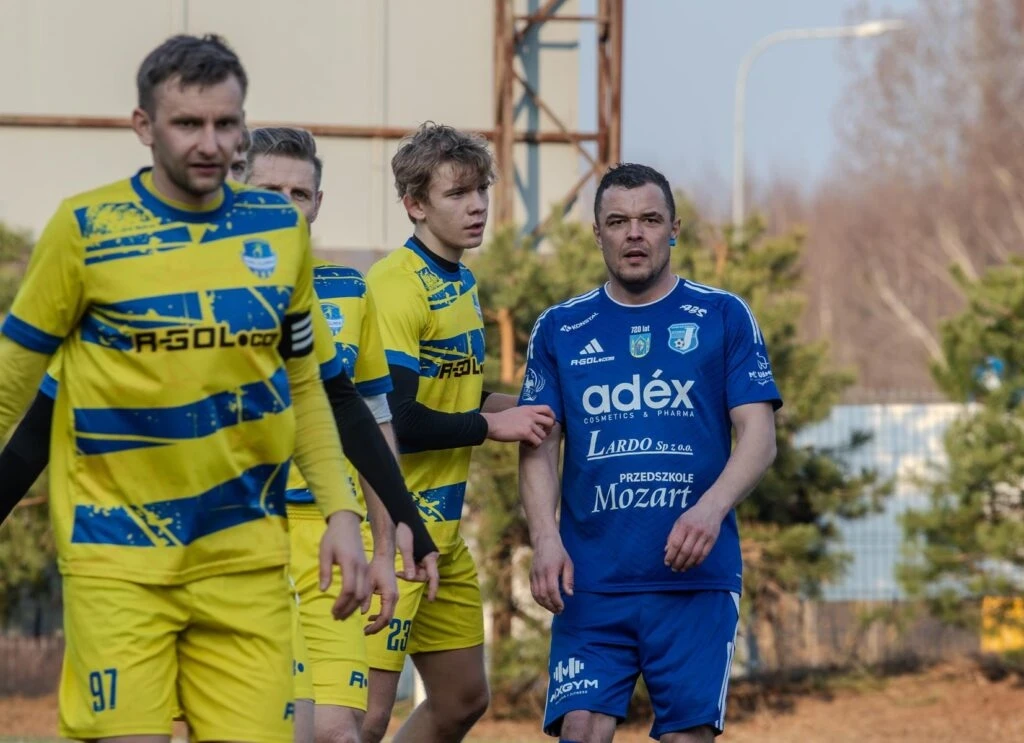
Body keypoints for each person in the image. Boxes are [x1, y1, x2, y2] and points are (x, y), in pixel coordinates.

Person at [0, 35, 370, 743]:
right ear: (144, 126)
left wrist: (342, 514)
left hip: (245, 561)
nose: (209, 143)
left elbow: (304, 388)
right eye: (187, 123)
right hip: (117, 560)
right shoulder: (85, 230)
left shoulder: (279, 234)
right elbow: (9, 388)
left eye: (226, 124)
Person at [518, 163, 781, 743]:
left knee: (688, 737)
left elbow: (759, 437)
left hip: (694, 580)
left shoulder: (722, 315)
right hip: (590, 581)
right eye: (618, 221)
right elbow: (538, 446)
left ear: (674, 229)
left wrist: (710, 510)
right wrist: (545, 539)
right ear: (597, 233)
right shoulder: (561, 327)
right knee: (581, 729)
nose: (634, 233)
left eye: (650, 220)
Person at [243, 125, 441, 743]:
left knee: (342, 732)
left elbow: (371, 422)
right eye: (268, 191)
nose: (285, 206)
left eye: (299, 194)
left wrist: (387, 545)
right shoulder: (202, 290)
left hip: (334, 536)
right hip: (244, 536)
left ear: (318, 204)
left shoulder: (347, 292)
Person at [360, 123, 556, 743]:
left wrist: (538, 408)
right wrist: (493, 426)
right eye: (457, 194)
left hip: (440, 535)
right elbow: (396, 418)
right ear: (414, 204)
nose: (477, 207)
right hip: (389, 531)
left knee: (461, 698)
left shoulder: (461, 282)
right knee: (363, 720)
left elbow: (453, 391)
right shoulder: (395, 285)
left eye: (481, 191)